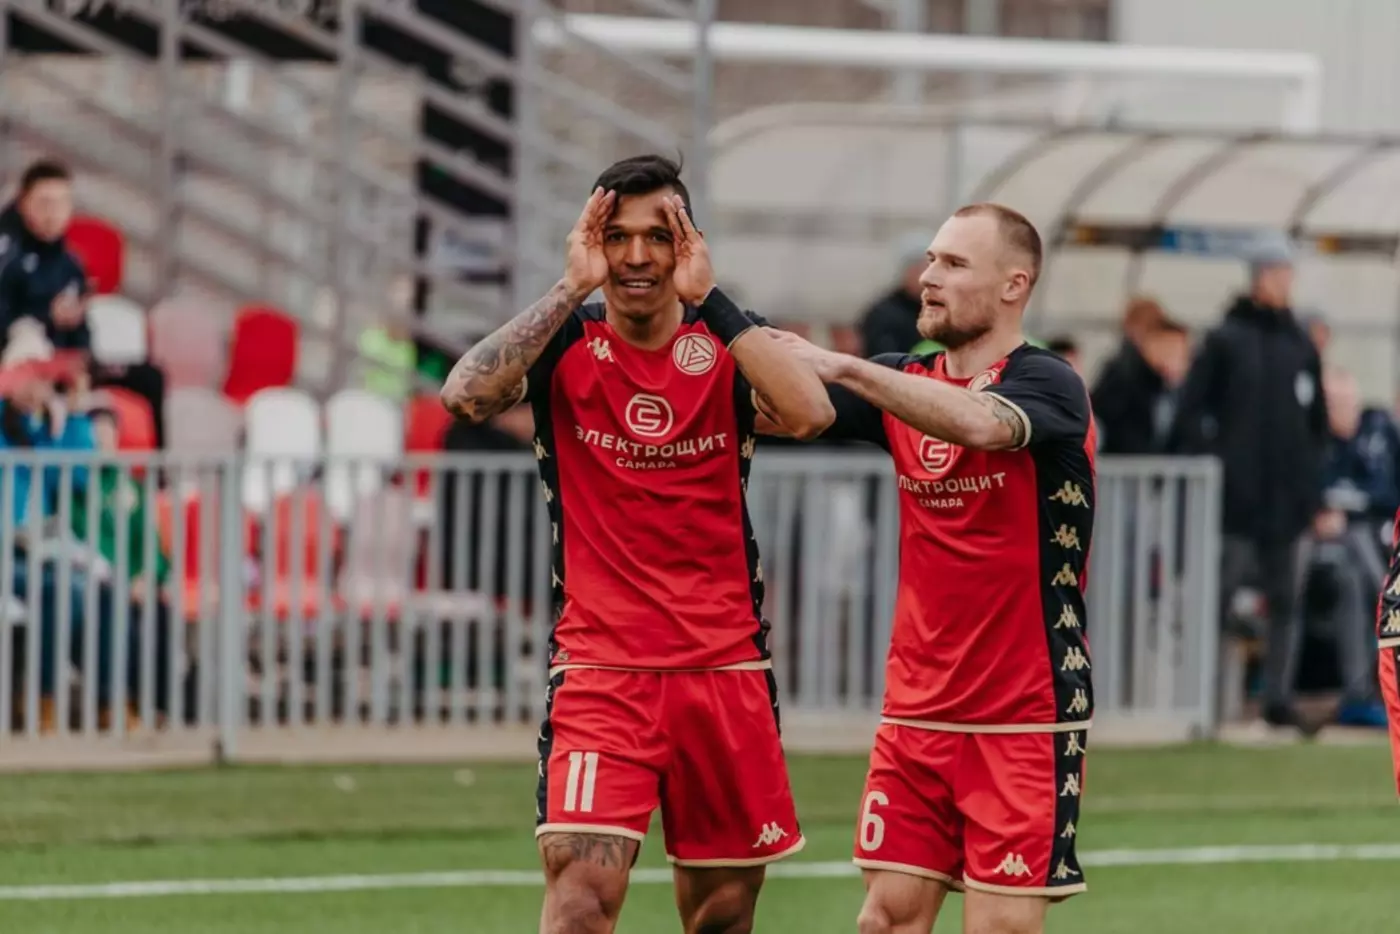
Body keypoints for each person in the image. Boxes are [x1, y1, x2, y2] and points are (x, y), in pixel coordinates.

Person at [438, 155, 833, 934]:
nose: (638, 256)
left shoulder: (728, 340)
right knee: (581, 900)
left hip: (724, 668)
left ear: (688, 245)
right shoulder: (565, 341)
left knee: (723, 916)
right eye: (617, 236)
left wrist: (712, 300)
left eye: (659, 235)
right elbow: (463, 396)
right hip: (601, 669)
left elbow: (812, 413)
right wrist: (568, 287)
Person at [760, 203, 1095, 934]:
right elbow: (773, 410)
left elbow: (979, 423)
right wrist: (711, 313)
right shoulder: (905, 378)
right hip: (917, 709)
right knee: (884, 920)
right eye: (932, 260)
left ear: (1014, 285)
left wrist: (846, 365)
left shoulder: (1050, 381)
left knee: (999, 928)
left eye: (954, 264)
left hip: (1023, 712)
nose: (929, 277)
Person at [1169, 240, 1328, 731]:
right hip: (1233, 505)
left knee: (1286, 604)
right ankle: (1207, 702)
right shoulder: (1225, 339)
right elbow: (1189, 412)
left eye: (1288, 274)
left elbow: (1317, 425)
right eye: (1278, 273)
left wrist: (1310, 490)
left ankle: (1277, 700)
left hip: (1287, 506)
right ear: (1258, 277)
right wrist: (1220, 461)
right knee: (1217, 601)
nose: (1285, 283)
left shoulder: (1299, 344)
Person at [0, 158, 168, 447]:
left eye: (62, 203)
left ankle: (160, 472)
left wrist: (76, 326)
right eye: (45, 203)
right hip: (24, 363)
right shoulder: (9, 258)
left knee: (149, 377)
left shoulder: (70, 264)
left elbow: (81, 334)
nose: (53, 213)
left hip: (67, 361)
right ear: (24, 203)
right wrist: (47, 317)